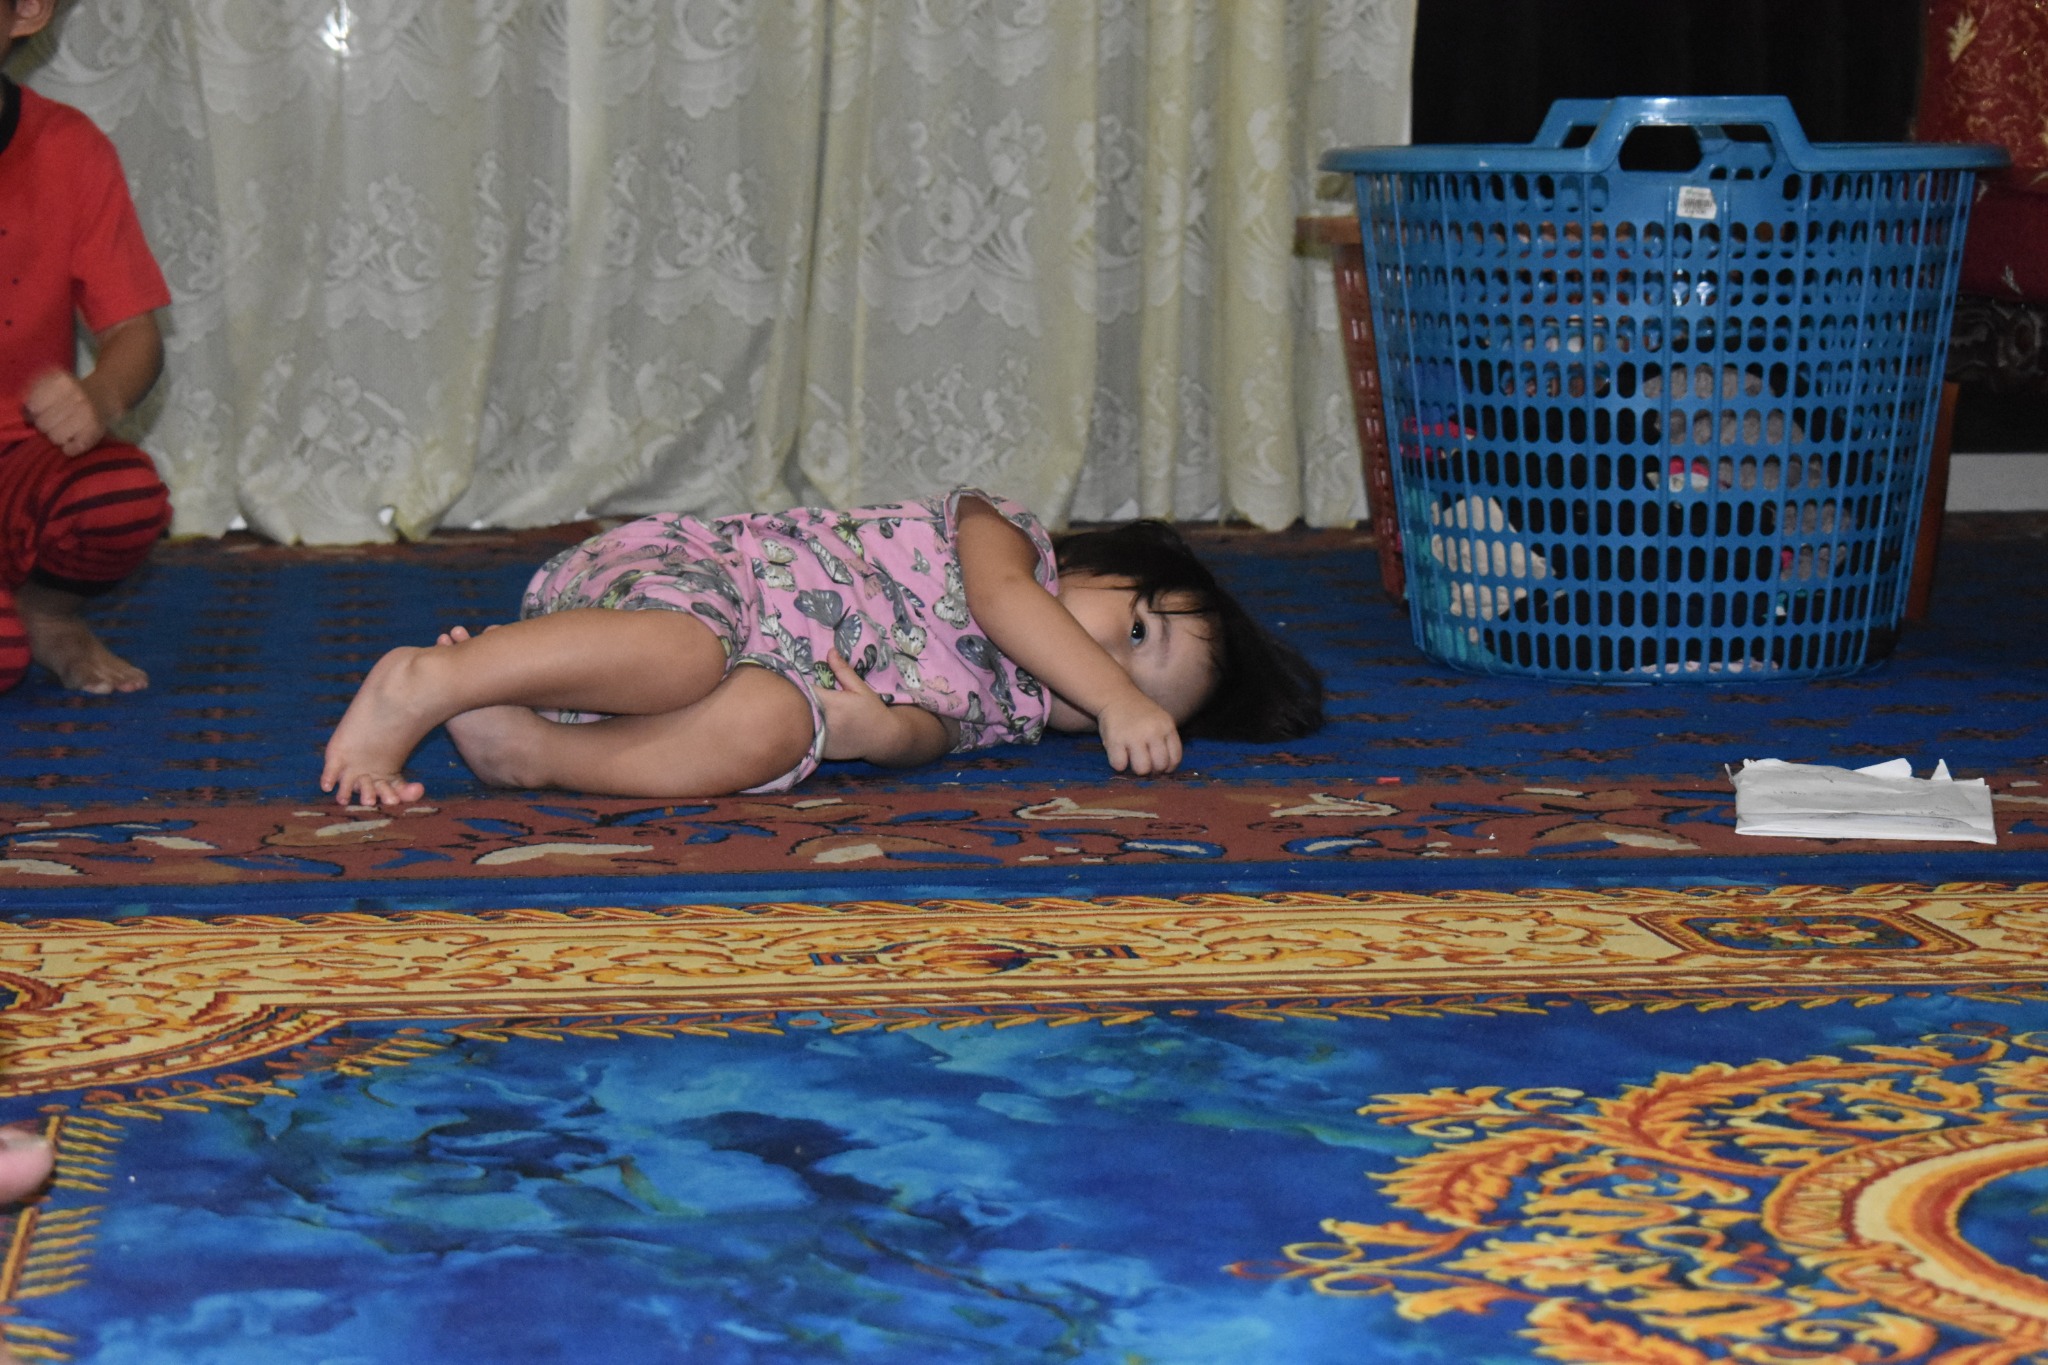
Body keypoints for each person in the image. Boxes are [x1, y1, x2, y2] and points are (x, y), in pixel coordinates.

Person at [322, 489, 1323, 806]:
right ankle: (436, 677)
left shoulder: (1009, 712)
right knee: (687, 653)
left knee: (771, 726)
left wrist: (878, 733)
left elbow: (930, 736)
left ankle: (534, 749)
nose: (1115, 673)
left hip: (741, 677)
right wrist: (1117, 697)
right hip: (689, 581)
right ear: (1096, 564)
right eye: (1137, 632)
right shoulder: (1007, 538)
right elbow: (1004, 599)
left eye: (1150, 692)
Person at [0, 0, 174, 696]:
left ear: (27, 11)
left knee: (122, 495)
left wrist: (98, 397)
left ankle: (48, 614)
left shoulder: (67, 147)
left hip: (20, 464)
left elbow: (135, 333)